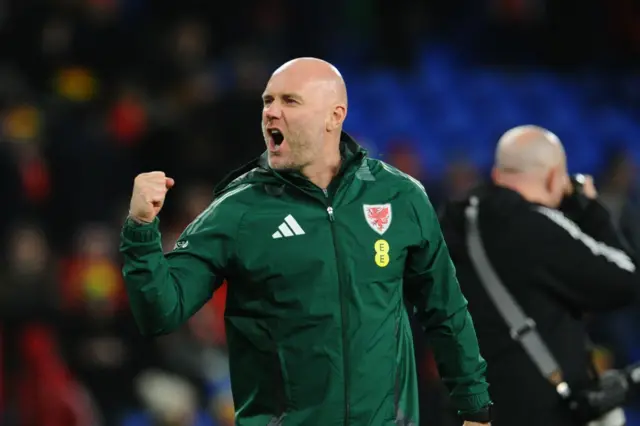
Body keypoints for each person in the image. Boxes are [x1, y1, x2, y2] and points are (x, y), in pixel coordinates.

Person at [120, 57, 492, 426]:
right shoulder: (239, 209)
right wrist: (141, 228)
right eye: (268, 101)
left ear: (335, 115)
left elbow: (444, 310)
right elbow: (160, 312)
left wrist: (474, 408)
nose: (271, 112)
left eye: (289, 101)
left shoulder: (400, 196)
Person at [438, 125, 639, 426]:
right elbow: (627, 279)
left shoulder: (451, 222)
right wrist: (590, 210)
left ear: (497, 174)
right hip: (539, 411)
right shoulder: (540, 227)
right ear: (552, 176)